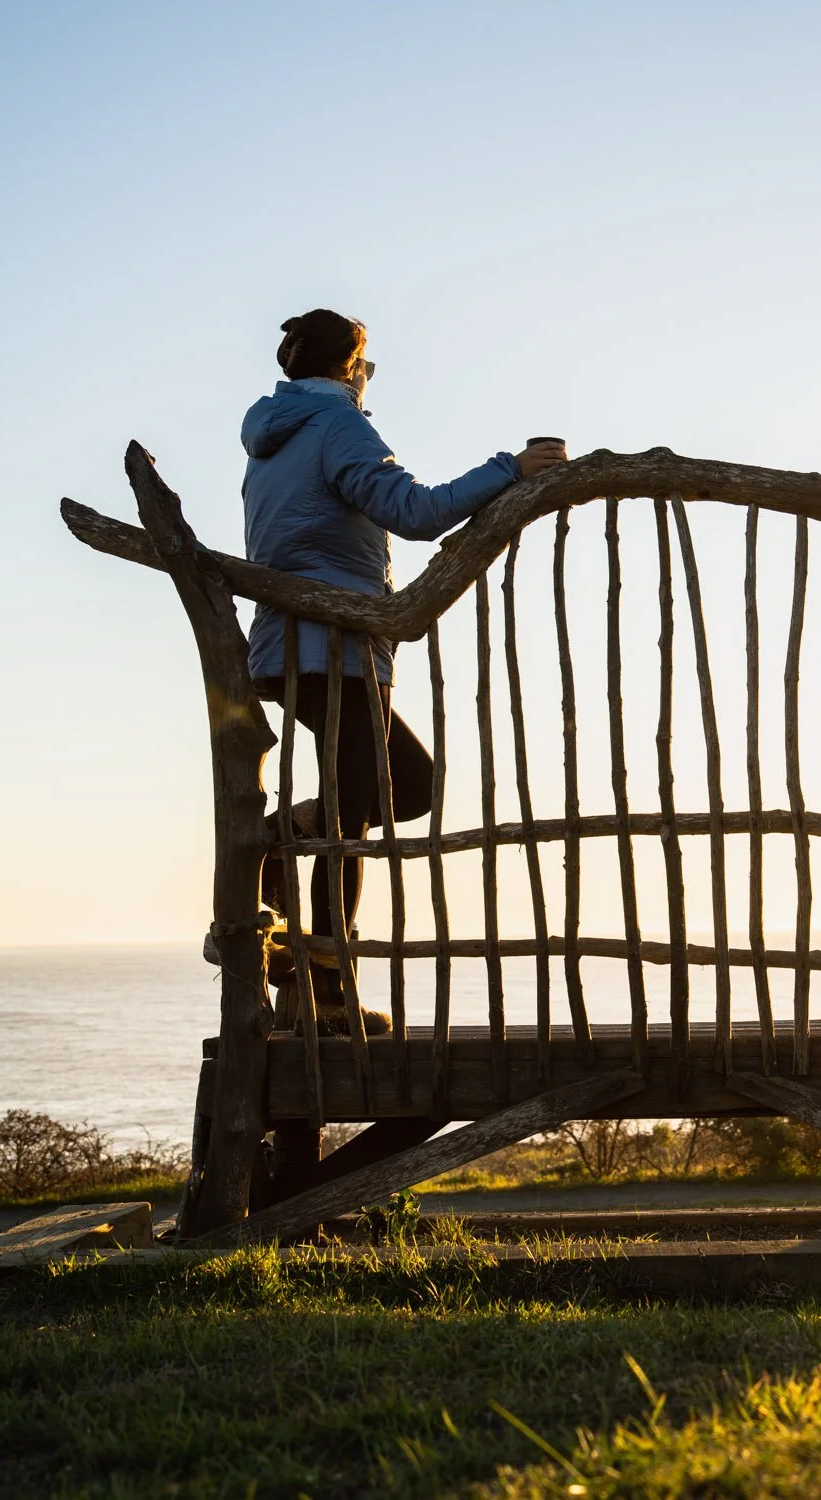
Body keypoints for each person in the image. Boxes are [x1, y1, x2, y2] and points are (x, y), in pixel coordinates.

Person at [240, 307, 566, 1030]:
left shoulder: (271, 440)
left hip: (287, 645)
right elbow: (413, 511)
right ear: (349, 366)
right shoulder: (339, 427)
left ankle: (274, 848)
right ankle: (327, 991)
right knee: (354, 811)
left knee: (404, 785)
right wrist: (510, 469)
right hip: (337, 645)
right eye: (365, 366)